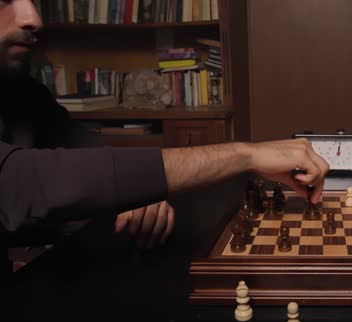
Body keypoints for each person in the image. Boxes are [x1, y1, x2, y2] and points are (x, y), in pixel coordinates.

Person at [0, 0, 329, 249]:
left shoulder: (22, 93)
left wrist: (135, 188)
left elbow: (85, 153)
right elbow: (21, 185)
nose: (33, 18)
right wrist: (245, 154)